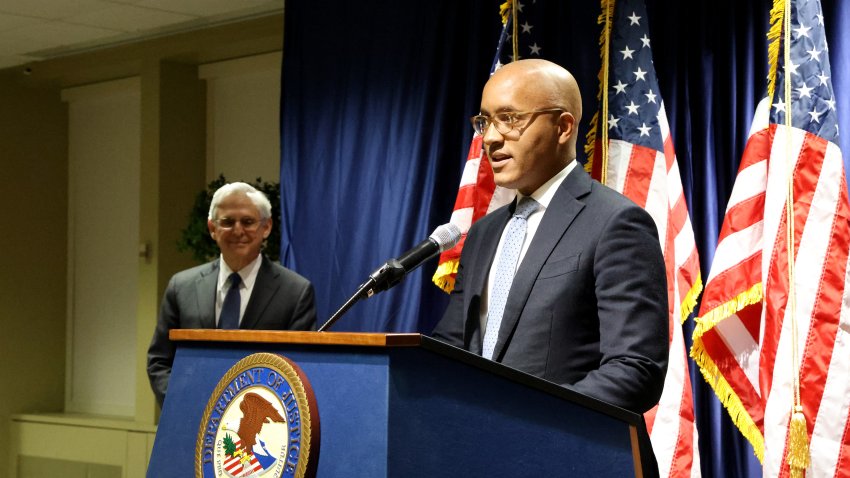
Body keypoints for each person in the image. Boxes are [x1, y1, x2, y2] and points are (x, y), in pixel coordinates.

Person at [430, 59, 668, 473]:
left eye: (510, 119)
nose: (490, 137)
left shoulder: (615, 223)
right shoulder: (483, 234)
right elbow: (451, 348)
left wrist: (527, 422)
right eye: (485, 121)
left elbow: (636, 369)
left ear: (563, 127)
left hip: (577, 459)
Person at [147, 182, 317, 406]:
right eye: (227, 222)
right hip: (189, 421)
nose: (238, 230)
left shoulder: (296, 292)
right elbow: (160, 361)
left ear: (266, 227)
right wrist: (183, 406)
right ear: (212, 228)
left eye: (248, 222)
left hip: (259, 428)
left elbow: (299, 370)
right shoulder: (182, 287)